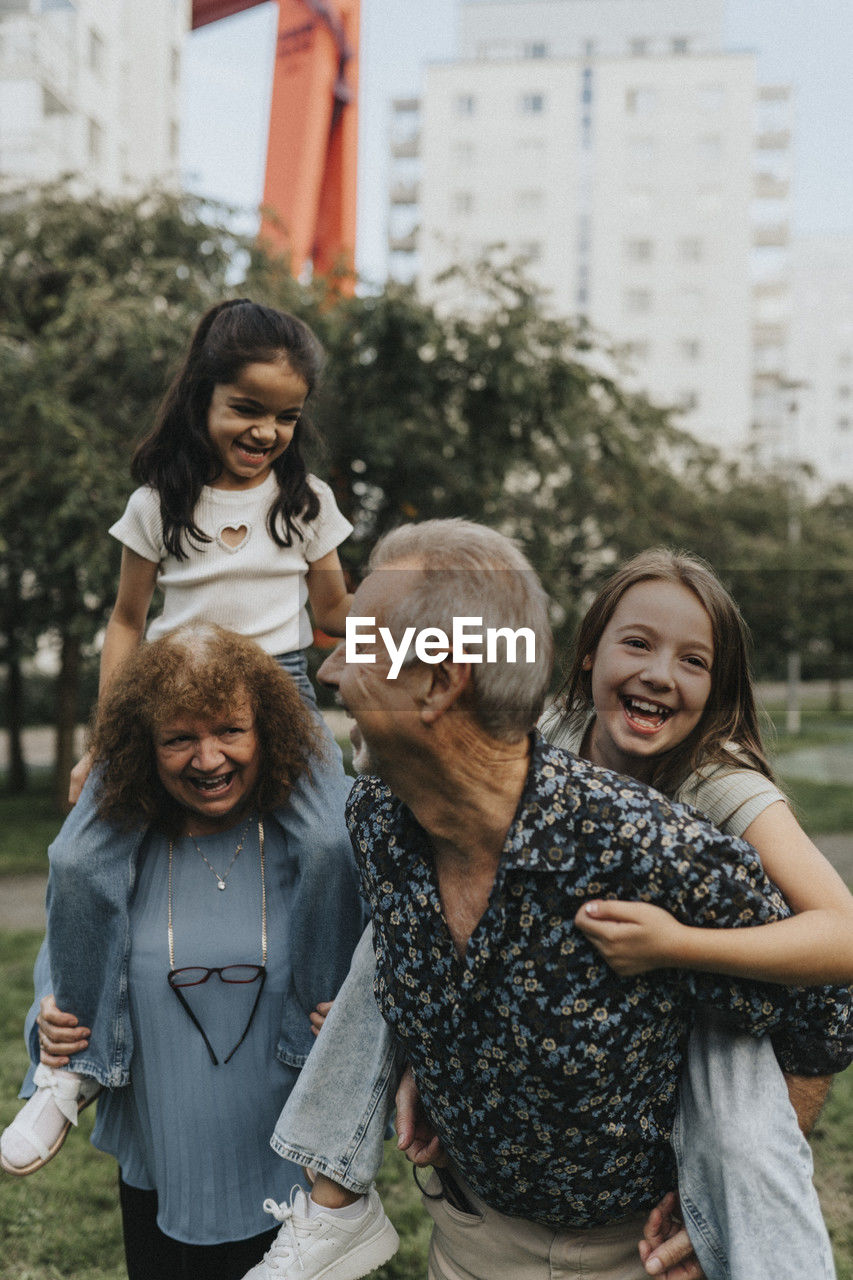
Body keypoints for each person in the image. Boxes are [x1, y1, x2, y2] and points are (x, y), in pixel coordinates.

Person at [245, 523, 851, 1280]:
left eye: (361, 645)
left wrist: (676, 946)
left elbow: (830, 974)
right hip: (476, 1236)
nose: (331, 668)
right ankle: (333, 1198)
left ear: (436, 682)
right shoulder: (412, 801)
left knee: (738, 1120)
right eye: (636, 646)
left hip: (639, 1214)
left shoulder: (698, 814)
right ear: (589, 654)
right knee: (387, 947)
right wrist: (431, 1044)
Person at [1, 298, 356, 1176]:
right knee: (80, 861)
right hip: (172, 692)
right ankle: (68, 1069)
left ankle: (320, 1031)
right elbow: (127, 622)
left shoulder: (305, 503)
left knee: (328, 840)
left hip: (279, 689)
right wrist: (100, 740)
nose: (267, 429)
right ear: (203, 395)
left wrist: (434, 657)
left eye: (286, 415)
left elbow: (338, 622)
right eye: (247, 408)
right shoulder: (160, 501)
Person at [10, 625, 374, 1280]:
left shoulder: (317, 855)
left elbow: (389, 968)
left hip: (286, 1181)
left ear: (268, 731)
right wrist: (50, 1021)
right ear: (144, 748)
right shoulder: (117, 851)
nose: (207, 760)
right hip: (162, 1164)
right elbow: (62, 954)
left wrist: (355, 1015)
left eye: (229, 732)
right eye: (179, 738)